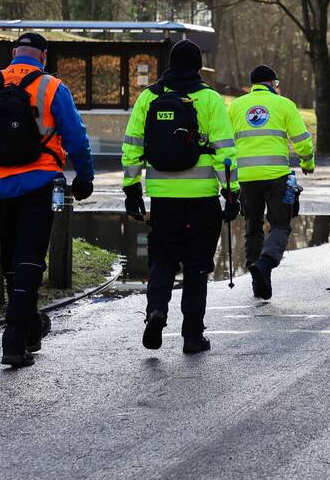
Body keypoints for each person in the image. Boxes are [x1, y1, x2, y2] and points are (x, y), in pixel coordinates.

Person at [0, 32, 95, 368]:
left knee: (12, 262)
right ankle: (14, 336)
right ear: (43, 56)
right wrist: (84, 176)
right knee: (30, 259)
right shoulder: (52, 87)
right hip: (39, 182)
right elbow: (76, 135)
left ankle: (29, 327)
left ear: (14, 53)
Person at [121, 40, 239, 355]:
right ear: (198, 65)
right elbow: (225, 152)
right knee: (197, 266)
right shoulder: (211, 99)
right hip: (202, 198)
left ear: (169, 65)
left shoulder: (148, 97)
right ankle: (192, 336)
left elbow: (133, 145)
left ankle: (157, 311)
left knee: (162, 258)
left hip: (162, 196)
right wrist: (231, 193)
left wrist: (132, 189)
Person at [229, 65, 316, 299]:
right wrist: (307, 163)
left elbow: (225, 142)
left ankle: (258, 280)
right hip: (278, 176)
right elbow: (303, 141)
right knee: (280, 224)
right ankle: (265, 264)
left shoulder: (236, 106)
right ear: (272, 83)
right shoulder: (284, 104)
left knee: (253, 225)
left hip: (245, 177)